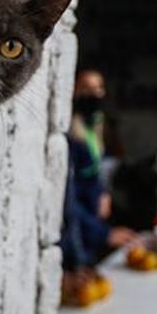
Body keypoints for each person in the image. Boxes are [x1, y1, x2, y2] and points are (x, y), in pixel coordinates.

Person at [59, 69, 137, 277]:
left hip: (92, 215)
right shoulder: (68, 135)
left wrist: (103, 192)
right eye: (86, 88)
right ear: (74, 90)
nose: (93, 94)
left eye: (98, 88)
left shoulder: (96, 125)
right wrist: (103, 234)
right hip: (76, 227)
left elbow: (95, 169)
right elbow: (67, 200)